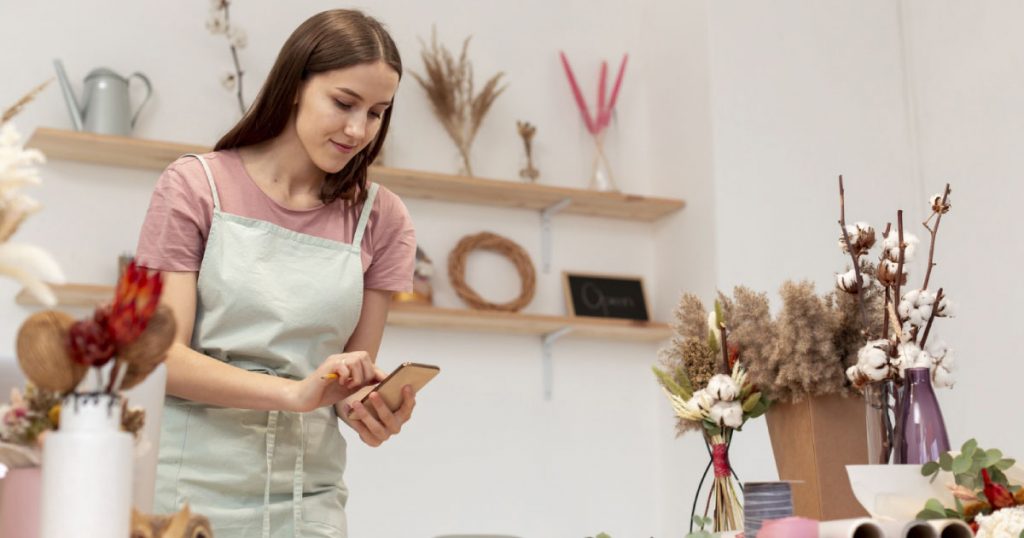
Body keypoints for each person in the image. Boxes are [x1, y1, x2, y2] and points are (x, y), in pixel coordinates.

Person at [134, 9, 416, 537]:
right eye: (343, 102)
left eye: (377, 112)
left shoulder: (381, 219)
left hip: (307, 499)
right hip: (182, 493)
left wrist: (372, 410)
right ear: (294, 86)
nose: (359, 129)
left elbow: (350, 380)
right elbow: (160, 358)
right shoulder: (196, 187)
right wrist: (293, 394)